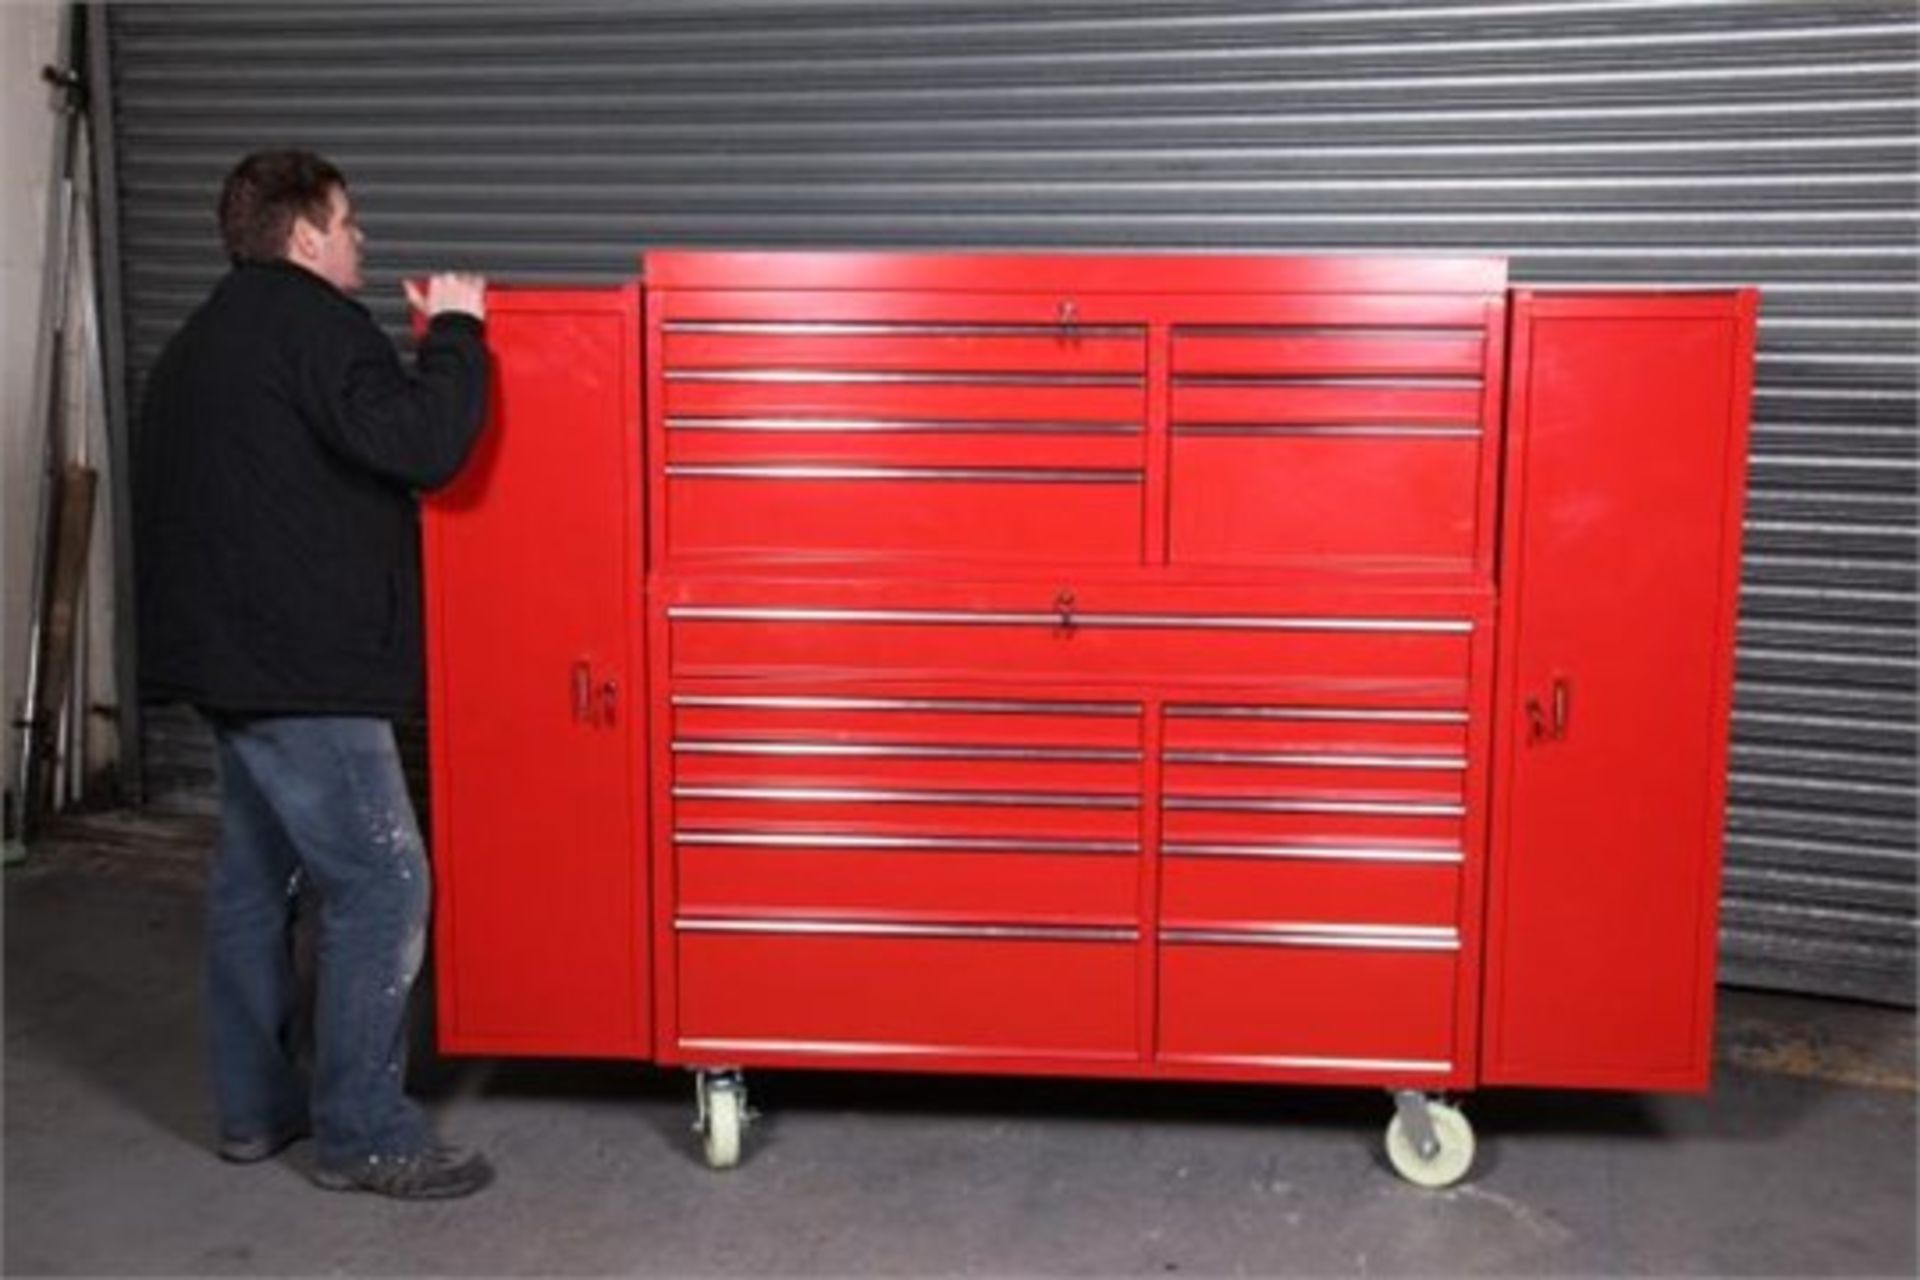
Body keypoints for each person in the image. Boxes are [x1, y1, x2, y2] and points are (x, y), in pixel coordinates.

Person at [134, 149, 494, 1199]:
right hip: (304, 673)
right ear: (303, 237)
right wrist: (458, 333)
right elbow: (424, 443)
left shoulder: (197, 342)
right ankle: (363, 1131)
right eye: (348, 223)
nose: (361, 240)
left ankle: (255, 1111)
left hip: (227, 665)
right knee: (383, 882)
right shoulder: (314, 327)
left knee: (255, 880)